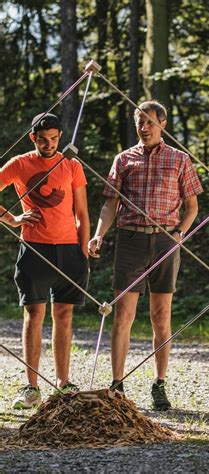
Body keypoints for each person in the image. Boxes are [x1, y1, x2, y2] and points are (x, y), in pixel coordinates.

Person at [88, 100, 203, 410]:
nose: (145, 127)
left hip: (166, 242)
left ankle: (159, 384)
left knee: (161, 316)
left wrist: (180, 233)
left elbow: (192, 206)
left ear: (162, 124)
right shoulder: (123, 160)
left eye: (151, 121)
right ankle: (117, 385)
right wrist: (99, 233)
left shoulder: (180, 159)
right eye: (140, 121)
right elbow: (110, 204)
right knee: (122, 315)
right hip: (130, 241)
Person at [0, 113, 90, 408]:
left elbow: (82, 213)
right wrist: (13, 219)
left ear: (60, 137)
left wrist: (83, 250)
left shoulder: (71, 165)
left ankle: (63, 384)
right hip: (35, 248)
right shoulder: (20, 164)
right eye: (42, 140)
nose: (48, 144)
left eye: (53, 139)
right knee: (34, 316)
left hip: (69, 250)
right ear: (32, 138)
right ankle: (32, 387)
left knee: (64, 316)